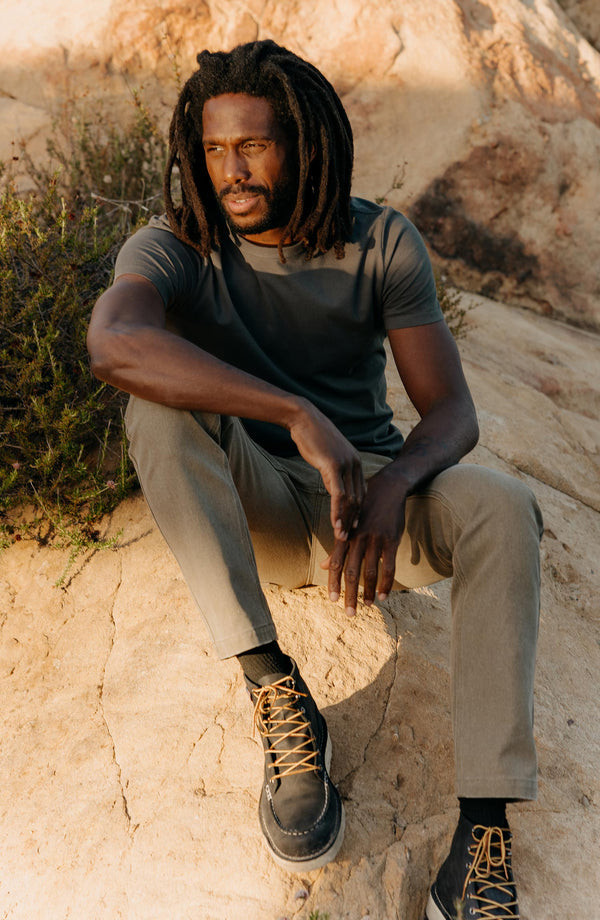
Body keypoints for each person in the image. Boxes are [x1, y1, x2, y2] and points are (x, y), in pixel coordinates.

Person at [87, 40, 543, 920]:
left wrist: (395, 481)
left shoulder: (379, 241)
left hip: (363, 512)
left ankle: (480, 834)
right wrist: (299, 416)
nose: (233, 171)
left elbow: (451, 411)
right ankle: (275, 689)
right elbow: (114, 345)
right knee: (152, 407)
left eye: (254, 146)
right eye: (215, 150)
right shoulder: (174, 246)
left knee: (504, 505)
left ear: (302, 143)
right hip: (252, 498)